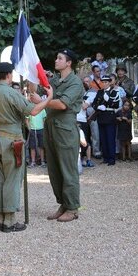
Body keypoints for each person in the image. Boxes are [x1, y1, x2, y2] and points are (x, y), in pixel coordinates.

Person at [0, 62, 53, 233]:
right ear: (9, 75)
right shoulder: (11, 93)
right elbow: (34, 111)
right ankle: (9, 221)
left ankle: (1, 219)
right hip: (12, 140)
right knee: (12, 180)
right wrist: (48, 99)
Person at [44, 49, 84, 223]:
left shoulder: (75, 82)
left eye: (60, 58)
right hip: (51, 127)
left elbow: (61, 104)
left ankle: (73, 207)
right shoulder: (54, 80)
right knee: (54, 169)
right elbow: (37, 90)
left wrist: (42, 101)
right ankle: (63, 203)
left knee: (68, 170)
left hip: (65, 128)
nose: (56, 60)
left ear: (69, 63)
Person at [92, 74, 123, 166]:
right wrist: (98, 107)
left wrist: (108, 100)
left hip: (109, 116)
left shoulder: (114, 92)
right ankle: (105, 157)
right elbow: (94, 103)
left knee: (110, 138)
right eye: (103, 82)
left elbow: (116, 105)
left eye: (106, 82)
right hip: (101, 116)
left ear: (110, 83)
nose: (104, 84)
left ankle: (111, 159)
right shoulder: (100, 92)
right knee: (103, 138)